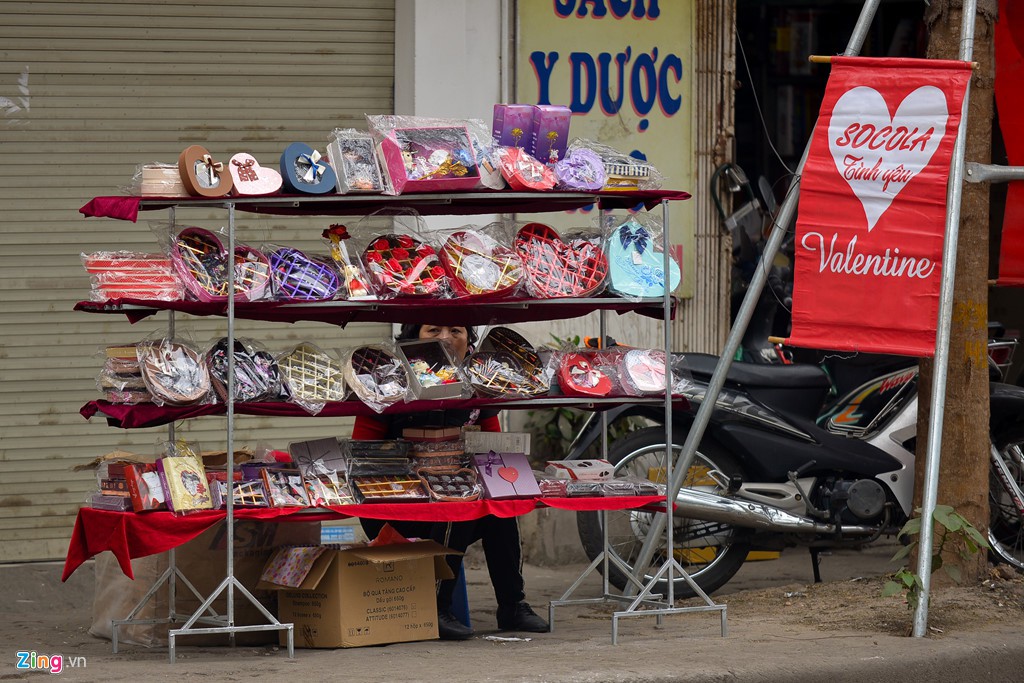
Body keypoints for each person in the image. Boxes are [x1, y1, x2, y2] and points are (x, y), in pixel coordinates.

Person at [352, 323, 549, 640]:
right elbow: (362, 456)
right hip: (392, 508)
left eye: (456, 330)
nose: (445, 338)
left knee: (498, 507)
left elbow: (493, 447)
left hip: (452, 498)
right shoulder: (387, 382)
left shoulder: (479, 384)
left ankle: (513, 605)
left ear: (468, 341)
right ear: (413, 339)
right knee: (457, 503)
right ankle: (436, 606)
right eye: (433, 330)